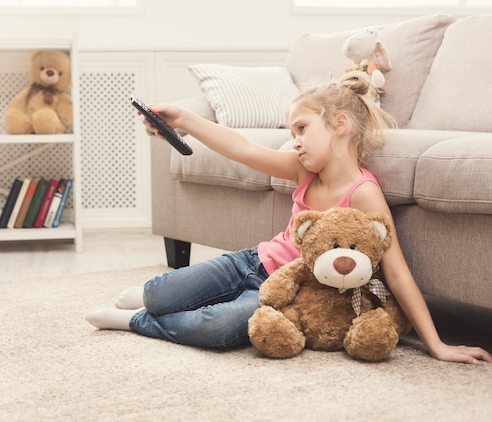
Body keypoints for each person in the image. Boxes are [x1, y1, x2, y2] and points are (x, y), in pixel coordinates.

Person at [86, 73, 492, 365]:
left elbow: (397, 270)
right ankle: (154, 302)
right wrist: (184, 120)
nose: (294, 140)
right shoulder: (303, 170)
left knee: (218, 330)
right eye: (290, 130)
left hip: (289, 295)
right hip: (251, 263)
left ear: (339, 124)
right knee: (160, 294)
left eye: (301, 128)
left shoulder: (364, 193)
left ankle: (136, 322)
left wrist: (436, 344)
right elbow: (241, 148)